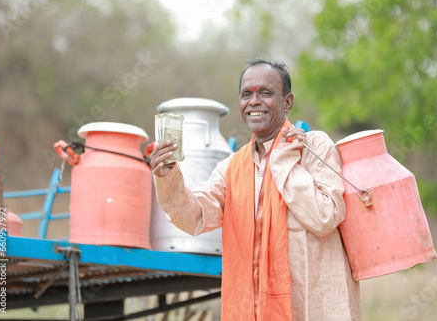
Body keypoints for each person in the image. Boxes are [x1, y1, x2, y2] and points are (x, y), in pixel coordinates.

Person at [150, 59, 362, 320]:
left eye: (265, 93)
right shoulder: (232, 166)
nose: (253, 102)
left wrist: (282, 163)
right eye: (246, 95)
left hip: (313, 309)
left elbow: (326, 217)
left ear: (287, 102)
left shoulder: (312, 146)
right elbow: (195, 218)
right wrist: (168, 175)